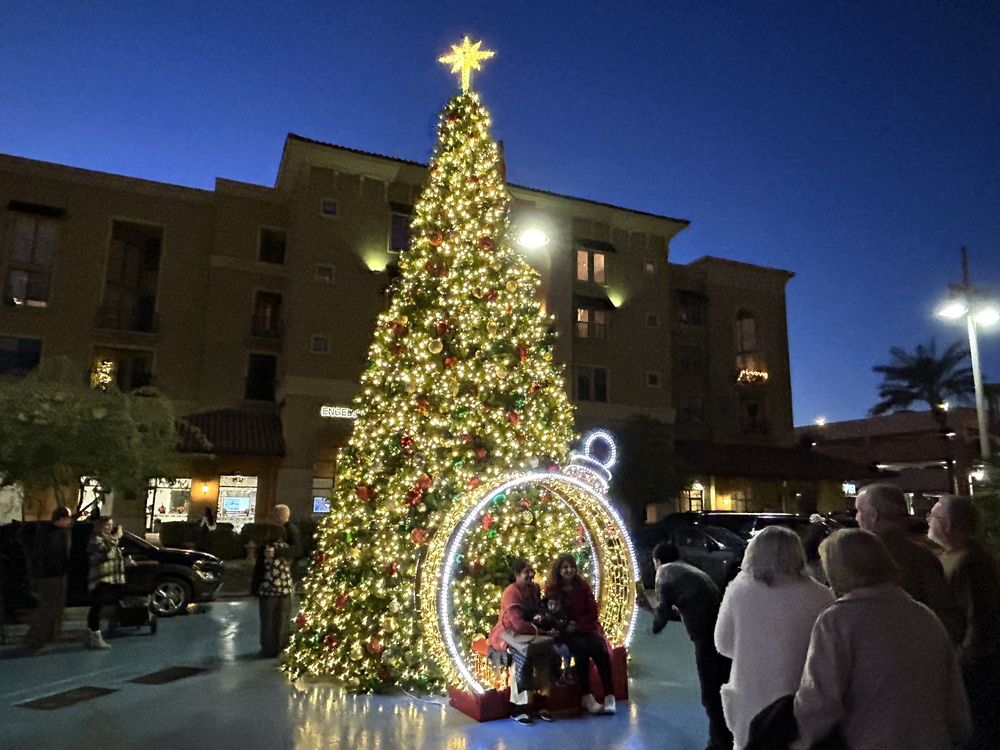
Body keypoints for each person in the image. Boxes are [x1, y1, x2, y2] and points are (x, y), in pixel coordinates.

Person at [792, 529, 971, 750]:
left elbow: (820, 700)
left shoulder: (838, 620)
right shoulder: (923, 615)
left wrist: (800, 739)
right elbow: (953, 694)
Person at [714, 526, 833, 749]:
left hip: (750, 695)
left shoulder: (738, 590)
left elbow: (722, 643)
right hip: (801, 699)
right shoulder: (821, 595)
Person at [643, 541, 732, 750]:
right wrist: (652, 610)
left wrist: (653, 628)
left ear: (657, 561)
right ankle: (718, 740)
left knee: (710, 695)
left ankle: (723, 743)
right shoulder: (688, 569)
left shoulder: (664, 573)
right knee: (720, 689)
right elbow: (684, 608)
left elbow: (664, 612)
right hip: (722, 633)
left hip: (706, 637)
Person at [927, 495, 1000, 748]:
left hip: (974, 669)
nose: (928, 521)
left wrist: (961, 660)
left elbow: (980, 618)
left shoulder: (970, 562)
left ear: (946, 524)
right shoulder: (953, 556)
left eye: (933, 516)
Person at [854, 482, 963, 642]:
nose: (856, 517)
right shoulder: (924, 555)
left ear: (873, 515)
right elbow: (945, 615)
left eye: (859, 511)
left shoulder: (860, 558)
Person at [488, 557, 559, 724]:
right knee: (522, 657)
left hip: (531, 633)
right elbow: (518, 625)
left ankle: (542, 703)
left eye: (531, 571)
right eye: (526, 572)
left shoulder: (534, 589)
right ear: (517, 574)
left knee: (548, 655)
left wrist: (543, 622)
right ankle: (520, 708)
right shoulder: (510, 592)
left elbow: (537, 611)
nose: (530, 575)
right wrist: (543, 632)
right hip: (508, 635)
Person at [545, 553, 616, 716]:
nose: (569, 570)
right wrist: (565, 625)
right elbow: (552, 614)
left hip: (585, 628)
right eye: (565, 567)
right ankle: (586, 695)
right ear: (559, 570)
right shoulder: (553, 590)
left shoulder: (582, 586)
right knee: (581, 651)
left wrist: (578, 625)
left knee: (600, 650)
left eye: (571, 567)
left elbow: (592, 611)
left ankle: (609, 695)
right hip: (566, 633)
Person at [250, 504, 301, 658]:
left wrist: (255, 587)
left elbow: (297, 550)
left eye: (274, 513)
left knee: (273, 617)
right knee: (280, 616)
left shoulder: (289, 532)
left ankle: (273, 646)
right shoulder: (283, 536)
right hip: (283, 584)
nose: (271, 515)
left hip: (277, 585)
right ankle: (277, 645)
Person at [23, 507, 75, 653]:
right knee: (46, 609)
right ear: (61, 518)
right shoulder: (47, 534)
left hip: (59, 575)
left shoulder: (61, 533)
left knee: (55, 609)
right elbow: (42, 558)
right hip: (48, 578)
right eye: (68, 518)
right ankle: (35, 641)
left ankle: (48, 637)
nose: (70, 521)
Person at [86, 515, 125, 650]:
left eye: (111, 525)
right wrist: (116, 538)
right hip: (100, 578)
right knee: (96, 607)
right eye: (107, 525)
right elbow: (105, 554)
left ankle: (95, 634)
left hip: (110, 578)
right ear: (100, 526)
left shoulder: (107, 539)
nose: (110, 528)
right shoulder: (96, 539)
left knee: (103, 606)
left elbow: (113, 556)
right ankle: (94, 637)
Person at [535, 596, 573, 683]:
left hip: (560, 641)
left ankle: (567, 672)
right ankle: (557, 676)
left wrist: (559, 631)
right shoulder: (544, 615)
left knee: (566, 651)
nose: (553, 607)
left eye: (556, 605)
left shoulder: (562, 615)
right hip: (549, 643)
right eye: (551, 604)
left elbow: (563, 627)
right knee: (555, 655)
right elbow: (542, 626)